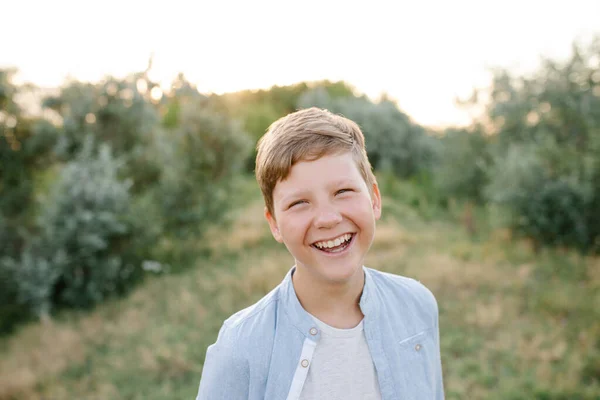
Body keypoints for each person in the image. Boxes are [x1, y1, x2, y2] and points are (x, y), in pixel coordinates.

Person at [196, 107, 444, 399]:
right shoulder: (240, 347)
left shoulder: (417, 305)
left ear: (374, 200)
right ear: (274, 223)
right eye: (300, 202)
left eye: (343, 192)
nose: (327, 218)